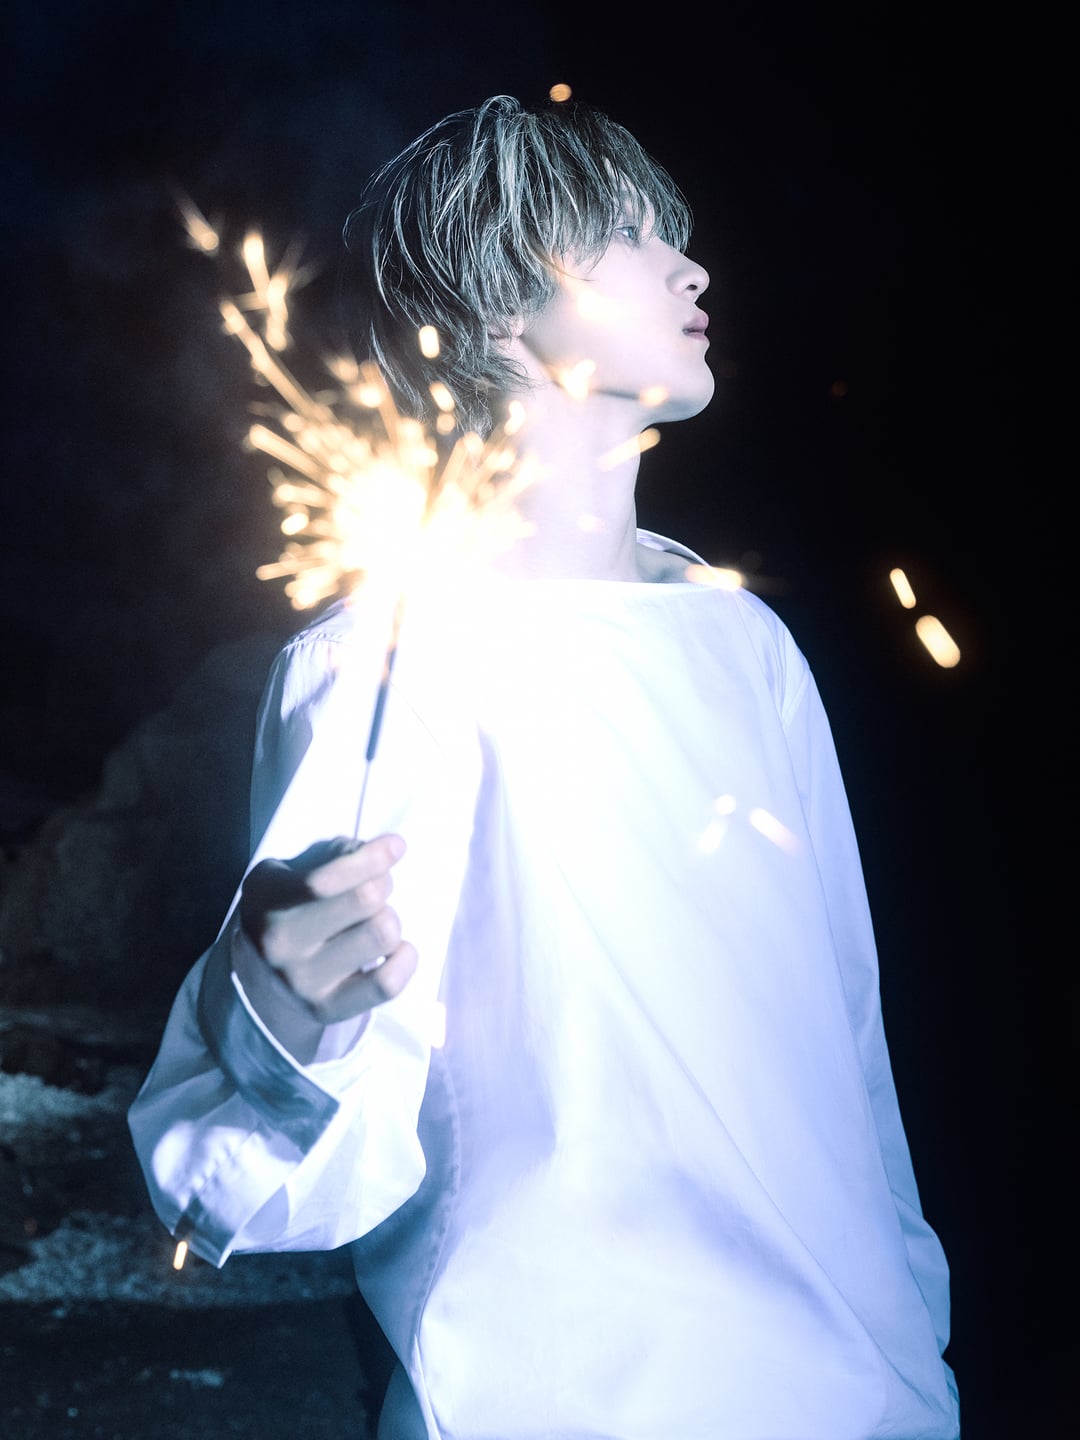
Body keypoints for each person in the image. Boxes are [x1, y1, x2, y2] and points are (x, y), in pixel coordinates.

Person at [129, 95, 961, 1439]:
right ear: (501, 307)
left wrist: (917, 1347)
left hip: (866, 1403)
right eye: (632, 234)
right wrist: (282, 1018)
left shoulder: (746, 646)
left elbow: (852, 1069)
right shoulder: (386, 669)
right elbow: (275, 1191)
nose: (692, 268)